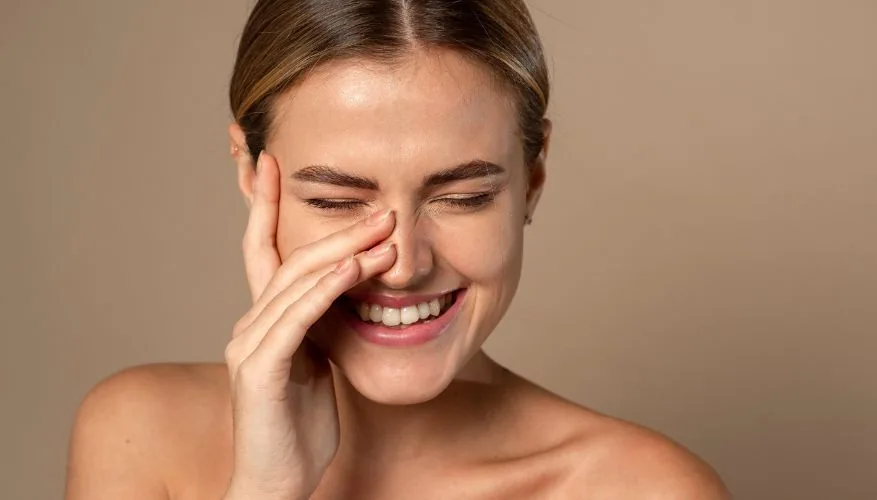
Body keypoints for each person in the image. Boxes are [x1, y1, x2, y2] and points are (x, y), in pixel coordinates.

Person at [65, 1, 730, 498]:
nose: (405, 264)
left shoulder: (642, 489)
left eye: (464, 196)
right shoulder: (137, 436)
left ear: (532, 177)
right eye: (336, 202)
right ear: (249, 173)